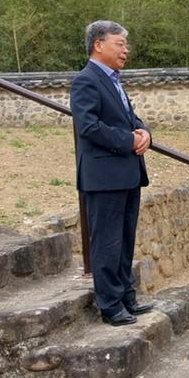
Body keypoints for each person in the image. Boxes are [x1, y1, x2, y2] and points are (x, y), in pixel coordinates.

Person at [71, 20, 153, 326]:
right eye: (120, 44)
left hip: (127, 172)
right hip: (104, 176)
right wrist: (128, 140)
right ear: (98, 44)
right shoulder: (86, 81)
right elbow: (88, 126)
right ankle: (110, 305)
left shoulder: (114, 80)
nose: (126, 50)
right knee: (106, 242)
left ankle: (126, 297)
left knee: (124, 239)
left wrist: (143, 132)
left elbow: (129, 118)